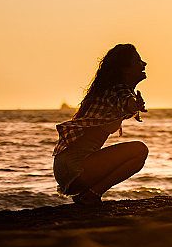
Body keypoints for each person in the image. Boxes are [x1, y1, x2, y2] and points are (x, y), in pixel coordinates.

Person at [52, 44, 149, 206]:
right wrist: (134, 105)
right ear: (125, 69)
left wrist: (133, 105)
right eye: (138, 61)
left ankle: (88, 195)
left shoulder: (110, 91)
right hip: (74, 166)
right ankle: (91, 195)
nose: (144, 64)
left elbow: (124, 102)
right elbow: (124, 102)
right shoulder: (115, 90)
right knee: (140, 150)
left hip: (67, 167)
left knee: (138, 151)